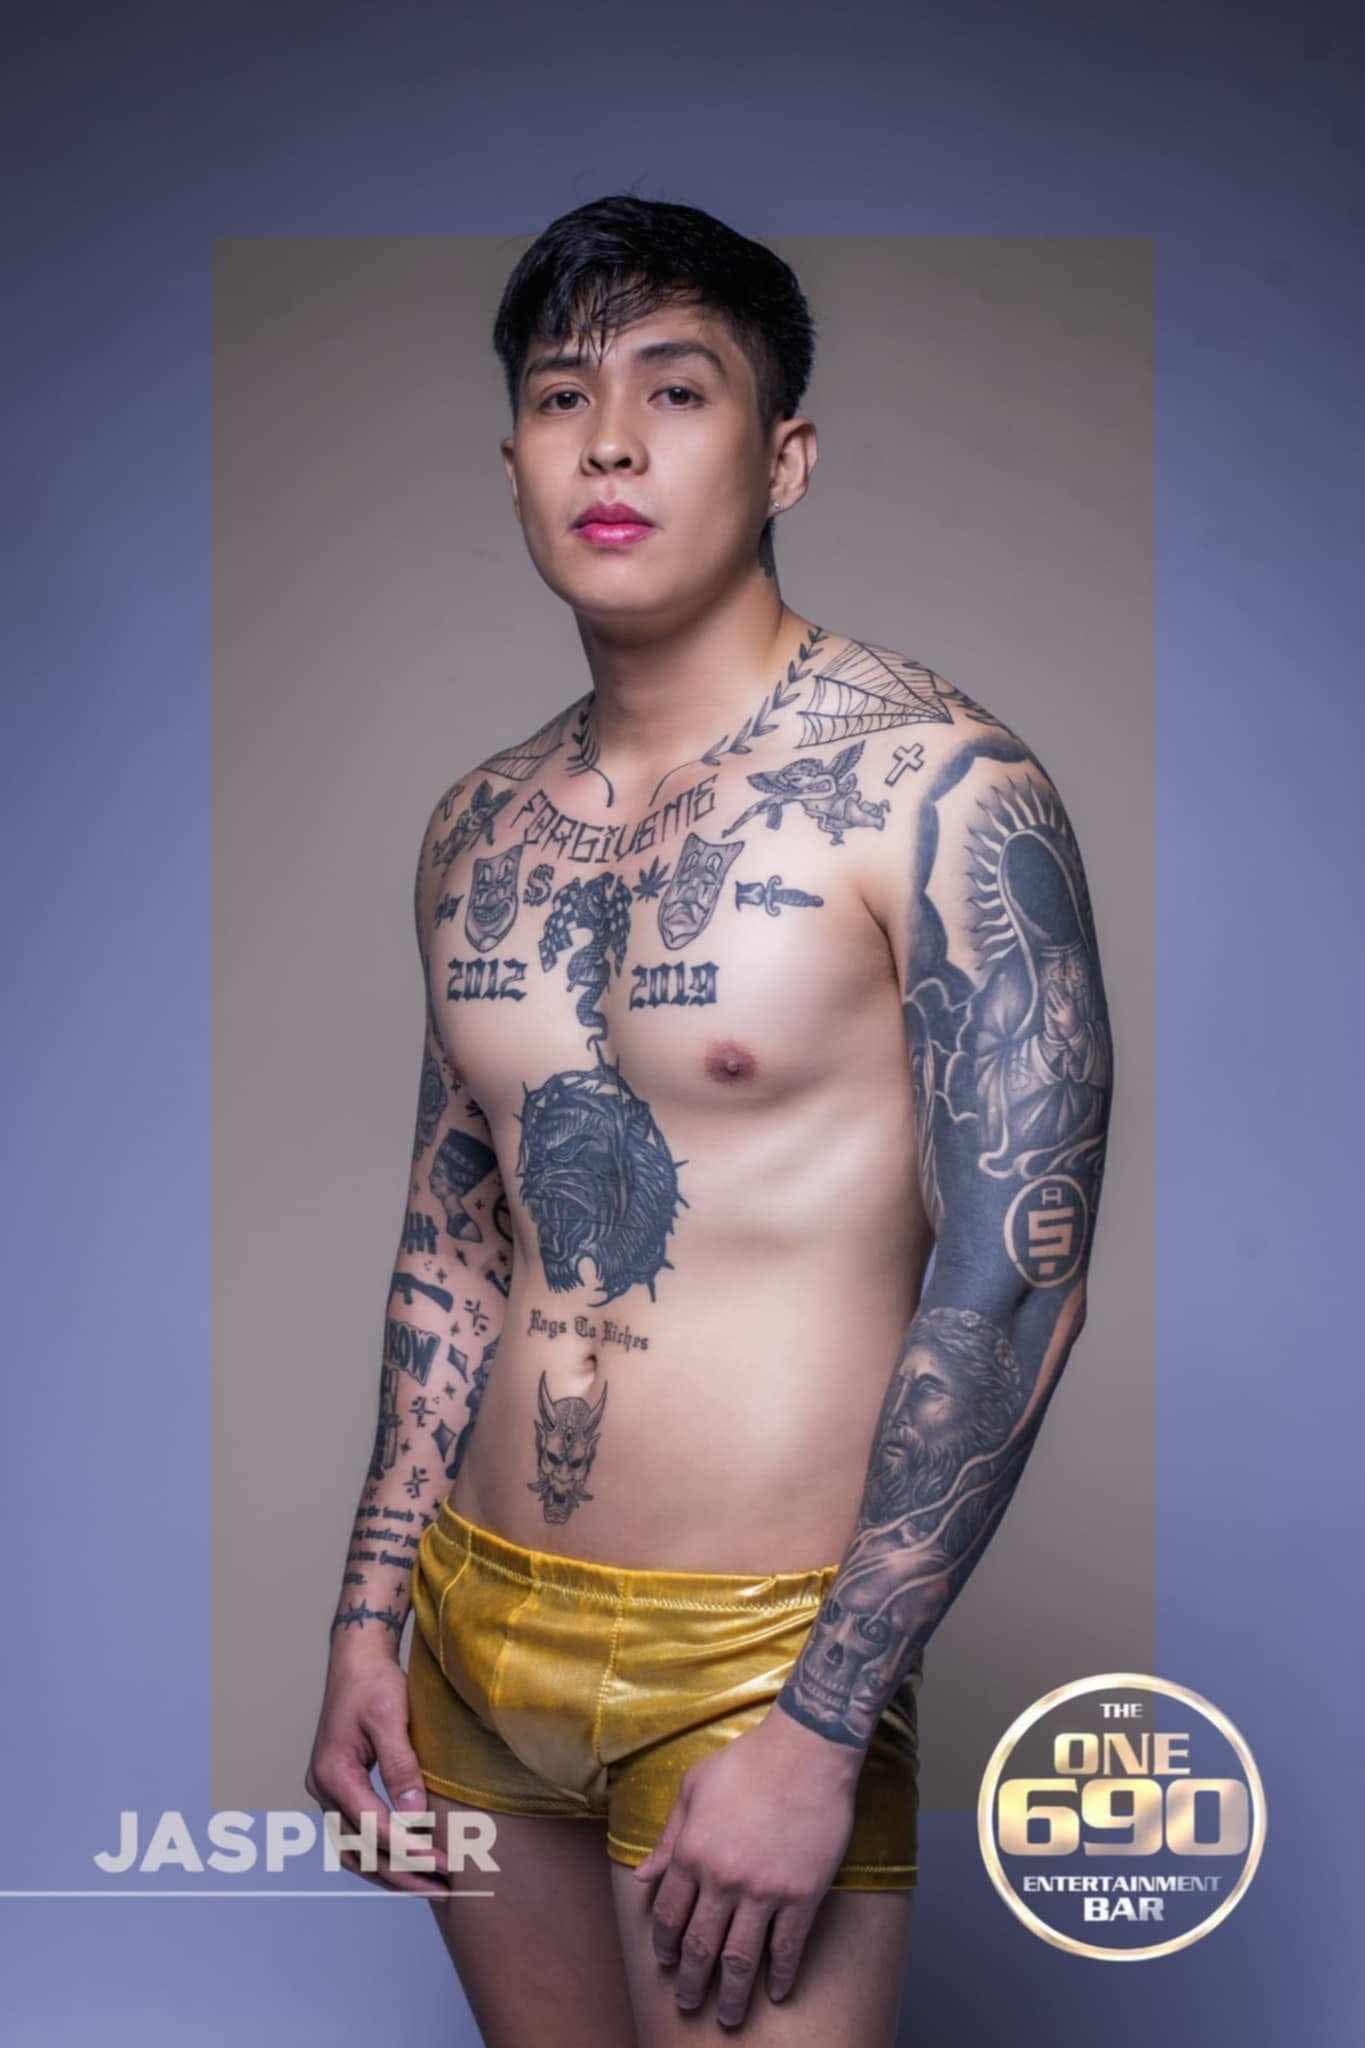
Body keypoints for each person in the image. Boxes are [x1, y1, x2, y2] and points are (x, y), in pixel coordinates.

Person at [305, 194, 1113, 2045]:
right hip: (471, 1624)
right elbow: (455, 1237)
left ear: (784, 457)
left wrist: (823, 1724)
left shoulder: (935, 791)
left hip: (755, 1658)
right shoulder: (475, 826)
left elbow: (1014, 1280)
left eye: (676, 391)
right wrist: (369, 1616)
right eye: (560, 395)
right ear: (513, 461)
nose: (608, 442)